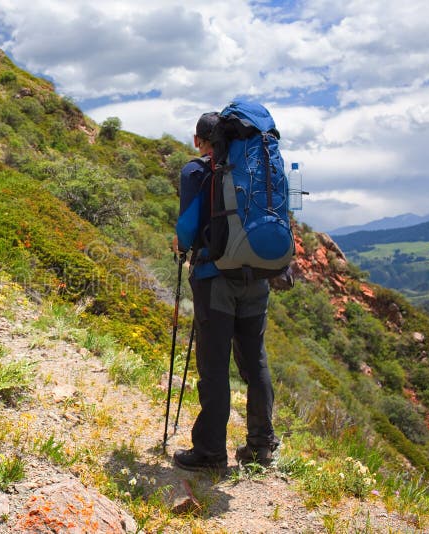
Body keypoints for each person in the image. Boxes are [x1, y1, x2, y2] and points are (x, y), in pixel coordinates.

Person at [171, 111, 280, 471]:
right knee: (256, 362)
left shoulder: (197, 171)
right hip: (257, 277)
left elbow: (187, 228)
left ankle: (210, 452)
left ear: (199, 140)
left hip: (214, 277)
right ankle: (261, 448)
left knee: (215, 367)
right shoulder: (251, 170)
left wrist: (179, 243)